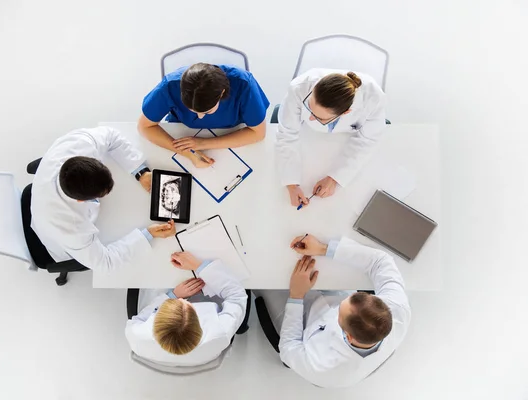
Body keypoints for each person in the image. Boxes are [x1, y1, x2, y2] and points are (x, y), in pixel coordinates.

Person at [257, 234, 410, 388]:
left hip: (302, 325)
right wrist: (324, 248)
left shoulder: (324, 368)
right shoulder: (396, 308)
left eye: (339, 312)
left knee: (261, 275)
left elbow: (288, 348)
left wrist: (296, 296)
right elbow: (381, 261)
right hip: (329, 298)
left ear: (348, 336)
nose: (342, 303)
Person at [30, 127, 176, 272]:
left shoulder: (79, 144)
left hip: (41, 191)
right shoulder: (72, 228)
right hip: (52, 236)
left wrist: (140, 172)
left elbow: (111, 136)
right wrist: (148, 235)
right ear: (81, 201)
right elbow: (105, 263)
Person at [275, 69, 387, 208]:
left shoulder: (373, 98)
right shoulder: (299, 88)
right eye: (309, 107)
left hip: (342, 141)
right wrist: (291, 184)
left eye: (319, 118)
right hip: (309, 138)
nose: (310, 117)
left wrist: (335, 178)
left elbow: (368, 140)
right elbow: (286, 135)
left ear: (346, 112)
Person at [125, 252, 248, 368]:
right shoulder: (220, 333)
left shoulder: (136, 335)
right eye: (185, 303)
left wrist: (172, 295)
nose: (182, 300)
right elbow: (237, 296)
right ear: (198, 321)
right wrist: (199, 266)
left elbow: (139, 318)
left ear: (156, 318)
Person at [138, 63, 270, 168]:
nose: (200, 117)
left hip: (233, 134)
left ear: (222, 93)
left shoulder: (244, 84)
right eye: (193, 111)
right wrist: (187, 152)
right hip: (181, 132)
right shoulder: (169, 86)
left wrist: (202, 143)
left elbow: (258, 133)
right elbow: (144, 126)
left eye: (206, 112)